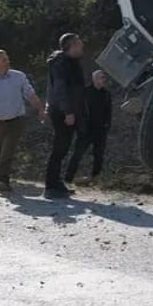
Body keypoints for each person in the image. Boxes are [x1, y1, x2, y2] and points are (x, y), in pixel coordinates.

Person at [0, 49, 47, 193]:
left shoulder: (18, 77)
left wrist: (40, 109)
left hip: (15, 121)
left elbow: (30, 94)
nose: (8, 62)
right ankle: (2, 182)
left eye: (7, 59)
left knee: (7, 151)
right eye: (4, 60)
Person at [44, 33, 86, 199]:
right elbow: (60, 89)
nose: (82, 47)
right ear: (72, 46)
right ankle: (51, 186)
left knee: (64, 147)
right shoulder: (61, 64)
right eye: (79, 44)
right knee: (60, 147)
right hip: (61, 111)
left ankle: (56, 182)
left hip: (67, 110)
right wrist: (68, 112)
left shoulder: (71, 62)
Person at [66, 70, 112, 186]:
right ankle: (68, 179)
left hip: (100, 130)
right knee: (77, 154)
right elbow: (78, 109)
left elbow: (109, 112)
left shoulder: (106, 94)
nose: (103, 80)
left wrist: (107, 125)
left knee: (99, 155)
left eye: (104, 78)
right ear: (94, 79)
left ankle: (95, 177)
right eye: (101, 77)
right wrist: (80, 126)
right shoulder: (85, 92)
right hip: (85, 130)